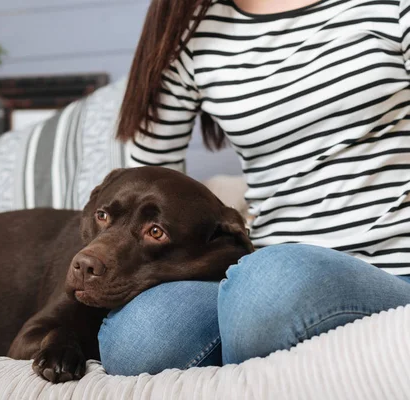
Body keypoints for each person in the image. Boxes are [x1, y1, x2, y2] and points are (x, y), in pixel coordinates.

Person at [99, 0, 410, 376]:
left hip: (394, 270)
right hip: (252, 273)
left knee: (269, 283)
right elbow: (145, 181)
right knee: (140, 338)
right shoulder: (194, 27)